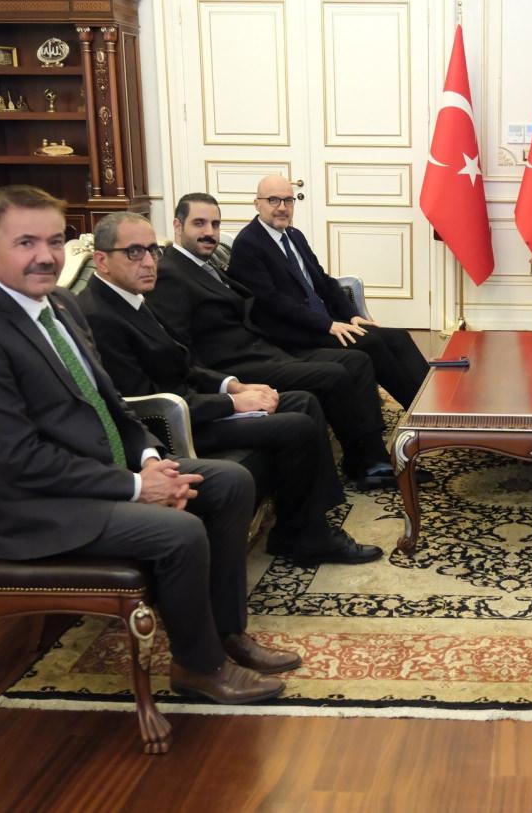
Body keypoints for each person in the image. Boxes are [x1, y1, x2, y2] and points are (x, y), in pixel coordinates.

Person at [0, 185, 297, 704]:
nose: (46, 256)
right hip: (32, 508)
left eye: (54, 241)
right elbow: (18, 460)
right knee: (179, 532)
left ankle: (226, 633)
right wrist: (135, 487)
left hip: (98, 473)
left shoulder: (59, 303)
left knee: (230, 482)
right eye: (26, 242)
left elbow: (110, 402)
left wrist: (150, 458)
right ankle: (198, 667)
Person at [77, 212, 381, 566]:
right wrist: (231, 403)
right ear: (102, 260)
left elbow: (184, 363)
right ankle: (310, 537)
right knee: (297, 424)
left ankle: (298, 529)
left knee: (302, 401)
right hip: (173, 425)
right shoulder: (99, 314)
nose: (148, 262)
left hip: (195, 402)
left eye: (151, 250)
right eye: (134, 252)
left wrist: (234, 385)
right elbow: (146, 401)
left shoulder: (132, 298)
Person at [148, 193, 402, 491]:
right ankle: (363, 464)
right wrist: (227, 384)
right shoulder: (170, 273)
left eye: (215, 224)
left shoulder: (206, 264)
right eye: (199, 223)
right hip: (236, 365)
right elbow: (182, 347)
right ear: (178, 225)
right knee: (333, 374)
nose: (209, 232)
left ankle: (371, 457)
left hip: (262, 348)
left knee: (356, 360)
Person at [228, 174, 431, 408]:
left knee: (399, 337)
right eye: (273, 200)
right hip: (290, 331)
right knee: (371, 343)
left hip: (321, 321)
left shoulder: (294, 235)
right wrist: (328, 325)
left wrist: (351, 314)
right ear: (257, 204)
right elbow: (272, 302)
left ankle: (433, 403)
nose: (282, 207)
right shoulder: (248, 243)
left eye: (288, 200)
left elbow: (324, 281)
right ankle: (419, 410)